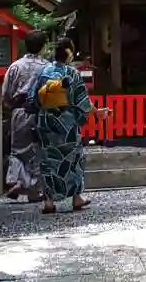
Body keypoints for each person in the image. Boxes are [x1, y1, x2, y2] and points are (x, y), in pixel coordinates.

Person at [33, 37, 104, 214]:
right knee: (73, 158)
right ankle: (76, 198)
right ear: (69, 53)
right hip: (66, 123)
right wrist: (95, 112)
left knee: (47, 160)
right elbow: (82, 102)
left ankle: (48, 201)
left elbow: (34, 98)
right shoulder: (71, 73)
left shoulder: (43, 72)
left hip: (46, 121)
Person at [0, 30, 53, 201]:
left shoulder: (15, 66)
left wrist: (11, 105)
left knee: (17, 149)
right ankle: (32, 188)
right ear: (43, 46)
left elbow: (6, 92)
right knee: (37, 149)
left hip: (19, 111)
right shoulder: (47, 67)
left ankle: (15, 180)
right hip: (40, 111)